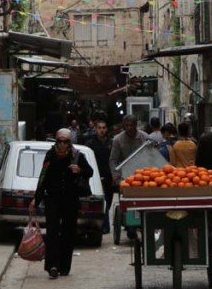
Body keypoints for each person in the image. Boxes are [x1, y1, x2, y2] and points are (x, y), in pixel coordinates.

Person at [28, 128, 93, 278]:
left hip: (71, 201)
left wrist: (79, 170)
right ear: (56, 141)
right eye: (60, 141)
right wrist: (35, 200)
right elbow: (43, 178)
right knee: (52, 232)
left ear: (70, 142)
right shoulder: (50, 156)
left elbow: (90, 172)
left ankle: (64, 267)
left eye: (66, 141)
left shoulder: (77, 156)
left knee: (68, 233)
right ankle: (53, 266)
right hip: (53, 200)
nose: (63, 144)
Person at [84, 117, 113, 234]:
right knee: (101, 201)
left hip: (108, 177)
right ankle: (103, 226)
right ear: (95, 129)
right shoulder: (90, 144)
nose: (102, 130)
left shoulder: (112, 143)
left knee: (108, 201)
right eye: (99, 128)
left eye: (104, 128)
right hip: (95, 177)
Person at [109, 114, 149, 181]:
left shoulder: (145, 137)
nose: (129, 128)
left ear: (135, 125)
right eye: (126, 125)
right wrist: (115, 175)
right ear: (123, 126)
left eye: (131, 125)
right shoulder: (118, 139)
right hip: (124, 175)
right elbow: (113, 159)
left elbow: (150, 156)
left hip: (142, 174)